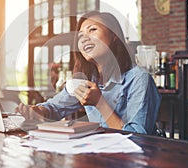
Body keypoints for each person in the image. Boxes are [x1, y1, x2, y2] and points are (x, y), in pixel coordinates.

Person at [18, 11, 161, 135]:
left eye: (92, 30)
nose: (84, 38)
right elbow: (54, 108)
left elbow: (138, 136)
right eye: (80, 36)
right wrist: (38, 111)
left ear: (114, 35)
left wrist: (100, 103)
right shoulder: (87, 80)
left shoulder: (139, 79)